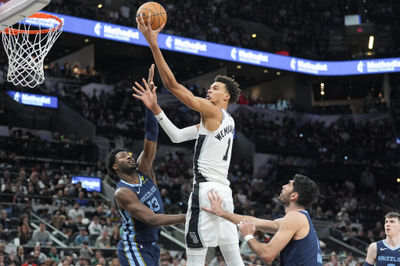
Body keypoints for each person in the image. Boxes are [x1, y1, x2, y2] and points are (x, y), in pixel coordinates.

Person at [135, 16, 243, 264]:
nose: (209, 91)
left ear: (226, 97)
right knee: (233, 257)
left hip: (205, 192)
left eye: (215, 88)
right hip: (224, 193)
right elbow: (176, 136)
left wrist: (153, 44)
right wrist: (155, 109)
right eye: (210, 88)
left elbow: (172, 85)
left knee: (194, 258)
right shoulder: (225, 120)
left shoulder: (213, 111)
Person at [106, 66, 186, 266]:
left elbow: (151, 136)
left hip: (151, 246)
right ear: (115, 167)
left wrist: (151, 107)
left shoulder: (144, 169)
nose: (130, 156)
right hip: (134, 245)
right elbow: (151, 219)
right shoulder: (122, 192)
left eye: (129, 154)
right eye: (123, 157)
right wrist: (188, 216)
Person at [203, 174, 322, 265]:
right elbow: (254, 221)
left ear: (294, 196)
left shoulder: (295, 217)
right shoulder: (298, 218)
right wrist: (221, 213)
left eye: (289, 185)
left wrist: (248, 236)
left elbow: (267, 255)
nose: (283, 186)